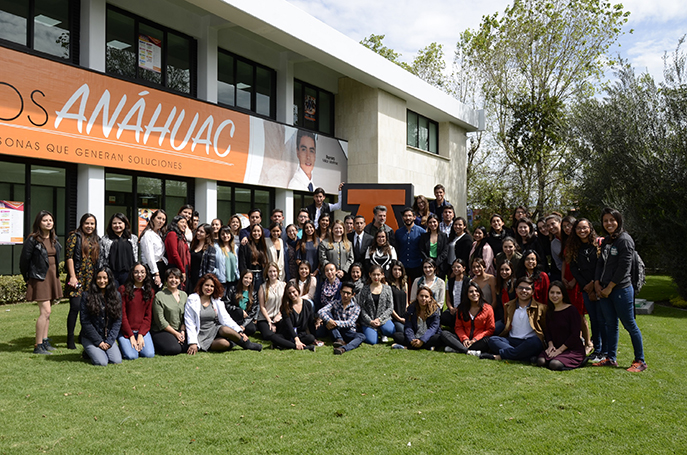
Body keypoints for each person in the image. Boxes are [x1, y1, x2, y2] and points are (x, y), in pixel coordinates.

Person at [594, 207, 647, 372]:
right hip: (603, 290)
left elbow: (624, 267)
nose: (609, 223)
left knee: (629, 324)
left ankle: (640, 361)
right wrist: (597, 283)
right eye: (605, 220)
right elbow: (600, 263)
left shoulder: (625, 240)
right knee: (611, 324)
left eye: (612, 220)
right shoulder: (607, 241)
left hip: (620, 289)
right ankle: (611, 358)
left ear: (618, 221)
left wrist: (610, 287)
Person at [185, 273, 262, 354]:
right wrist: (192, 342)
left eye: (212, 286)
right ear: (201, 286)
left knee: (225, 329)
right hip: (200, 333)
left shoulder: (216, 301)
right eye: (206, 285)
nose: (209, 288)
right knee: (224, 344)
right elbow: (189, 322)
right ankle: (233, 342)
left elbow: (226, 319)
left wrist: (239, 332)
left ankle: (247, 344)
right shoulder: (192, 300)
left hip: (214, 330)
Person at [20, 210, 63, 354]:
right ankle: (38, 345)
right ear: (39, 222)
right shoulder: (32, 240)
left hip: (52, 277)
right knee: (45, 311)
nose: (48, 222)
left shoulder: (54, 239)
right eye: (45, 220)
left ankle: (44, 341)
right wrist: (29, 279)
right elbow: (24, 262)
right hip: (39, 278)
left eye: (50, 220)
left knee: (48, 313)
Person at [567, 218, 607, 362]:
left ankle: (606, 350)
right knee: (594, 319)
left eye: (584, 227)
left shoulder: (599, 244)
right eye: (578, 228)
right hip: (586, 289)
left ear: (590, 228)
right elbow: (574, 269)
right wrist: (587, 286)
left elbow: (602, 266)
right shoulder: (574, 248)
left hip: (600, 287)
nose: (582, 231)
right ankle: (597, 349)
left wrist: (593, 283)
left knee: (604, 319)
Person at [484, 276, 547, 362]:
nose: (523, 291)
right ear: (516, 290)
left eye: (527, 289)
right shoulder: (508, 306)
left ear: (532, 292)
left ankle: (501, 356)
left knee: (536, 342)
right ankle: (525, 357)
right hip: (512, 340)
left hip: (529, 341)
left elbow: (544, 328)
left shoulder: (541, 308)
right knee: (492, 340)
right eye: (521, 288)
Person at [64, 213, 99, 350]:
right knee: (75, 307)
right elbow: (69, 257)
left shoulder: (96, 239)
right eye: (87, 223)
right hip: (77, 276)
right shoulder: (75, 237)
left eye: (92, 224)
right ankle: (70, 338)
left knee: (88, 308)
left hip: (91, 278)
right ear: (81, 224)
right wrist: (72, 276)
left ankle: (83, 334)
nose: (89, 226)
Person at [536, 281, 586, 370]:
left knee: (554, 364)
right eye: (552, 292)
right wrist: (550, 346)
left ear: (563, 295)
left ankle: (579, 361)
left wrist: (560, 351)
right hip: (555, 347)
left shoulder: (571, 310)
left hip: (572, 349)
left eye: (558, 293)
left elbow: (575, 335)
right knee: (540, 361)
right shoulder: (549, 311)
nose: (554, 296)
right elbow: (547, 331)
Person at [80, 267, 122, 365]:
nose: (102, 281)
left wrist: (110, 341)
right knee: (102, 362)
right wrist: (99, 342)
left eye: (105, 278)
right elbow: (85, 322)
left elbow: (117, 321)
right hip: (90, 337)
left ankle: (98, 351)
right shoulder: (87, 296)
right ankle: (89, 350)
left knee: (116, 360)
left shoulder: (116, 296)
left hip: (107, 338)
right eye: (99, 278)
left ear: (109, 279)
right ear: (95, 279)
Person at [441, 281, 495, 355]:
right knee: (444, 333)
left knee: (489, 340)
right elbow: (458, 327)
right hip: (463, 339)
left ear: (480, 293)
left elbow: (490, 329)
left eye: (476, 291)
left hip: (479, 340)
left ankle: (458, 348)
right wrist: (465, 339)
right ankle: (467, 351)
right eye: (471, 292)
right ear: (467, 294)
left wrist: (475, 339)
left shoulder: (488, 308)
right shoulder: (462, 308)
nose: (474, 294)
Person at [117, 263, 155, 360]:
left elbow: (148, 316)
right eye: (136, 272)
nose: (139, 275)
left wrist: (141, 334)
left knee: (149, 354)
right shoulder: (123, 290)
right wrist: (131, 336)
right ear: (132, 274)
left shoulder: (149, 292)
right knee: (132, 356)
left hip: (142, 331)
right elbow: (122, 315)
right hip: (126, 331)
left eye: (142, 272)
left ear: (146, 274)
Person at [319, 282, 365, 355]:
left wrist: (335, 323)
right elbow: (321, 311)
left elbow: (350, 323)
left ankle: (343, 348)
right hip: (336, 331)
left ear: (353, 295)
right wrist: (329, 320)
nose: (345, 295)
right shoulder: (335, 303)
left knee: (361, 336)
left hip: (348, 332)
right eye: (343, 292)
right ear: (340, 292)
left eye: (348, 293)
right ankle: (340, 340)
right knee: (327, 314)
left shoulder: (356, 308)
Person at [391, 285, 442, 350]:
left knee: (439, 337)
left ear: (430, 298)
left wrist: (422, 340)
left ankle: (406, 347)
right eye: (421, 296)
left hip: (429, 336)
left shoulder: (435, 310)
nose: (423, 298)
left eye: (426, 297)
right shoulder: (411, 308)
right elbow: (408, 326)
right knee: (397, 336)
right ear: (417, 296)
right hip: (415, 335)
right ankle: (427, 347)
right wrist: (411, 339)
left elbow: (433, 328)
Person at [151, 267, 188, 356]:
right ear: (166, 279)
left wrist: (182, 331)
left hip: (180, 329)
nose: (173, 280)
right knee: (174, 349)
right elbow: (160, 321)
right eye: (171, 277)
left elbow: (186, 315)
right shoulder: (159, 296)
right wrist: (176, 334)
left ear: (180, 280)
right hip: (163, 330)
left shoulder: (184, 295)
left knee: (189, 346)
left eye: (176, 278)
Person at [271, 282, 317, 351]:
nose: (292, 295)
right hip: (287, 333)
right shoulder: (285, 306)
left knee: (311, 338)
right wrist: (296, 340)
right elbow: (288, 325)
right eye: (289, 293)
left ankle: (283, 345)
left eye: (293, 292)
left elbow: (310, 323)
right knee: (273, 337)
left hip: (300, 334)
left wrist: (315, 339)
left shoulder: (307, 304)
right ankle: (303, 347)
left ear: (298, 291)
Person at [358, 264, 395, 344]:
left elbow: (390, 307)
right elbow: (362, 308)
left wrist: (380, 319)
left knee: (390, 331)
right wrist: (370, 321)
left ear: (382, 275)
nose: (376, 277)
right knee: (372, 341)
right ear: (370, 275)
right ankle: (373, 332)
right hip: (369, 321)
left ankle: (382, 332)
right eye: (374, 274)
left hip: (383, 319)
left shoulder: (387, 289)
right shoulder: (364, 289)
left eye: (378, 274)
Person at [100, 213, 138, 287]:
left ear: (125, 224)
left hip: (128, 274)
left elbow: (135, 256)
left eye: (120, 223)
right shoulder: (105, 239)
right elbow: (102, 258)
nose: (117, 225)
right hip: (111, 274)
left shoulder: (133, 238)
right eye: (114, 223)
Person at [395, 207, 426, 286]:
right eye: (405, 216)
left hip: (417, 265)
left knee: (416, 288)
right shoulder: (398, 232)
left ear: (414, 217)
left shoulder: (421, 232)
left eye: (410, 216)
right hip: (403, 266)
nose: (407, 218)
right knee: (402, 287)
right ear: (403, 218)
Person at [256, 262, 286, 342]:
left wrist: (279, 314)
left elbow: (285, 303)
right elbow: (262, 306)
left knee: (286, 330)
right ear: (267, 273)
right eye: (270, 271)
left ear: (278, 272)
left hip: (278, 317)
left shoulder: (283, 285)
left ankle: (277, 338)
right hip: (265, 318)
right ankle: (277, 338)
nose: (272, 273)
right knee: (267, 335)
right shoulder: (262, 287)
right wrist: (270, 321)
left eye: (274, 271)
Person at [224, 270, 259, 337]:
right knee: (239, 313)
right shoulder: (233, 289)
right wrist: (239, 310)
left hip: (245, 319)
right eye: (246, 277)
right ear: (242, 278)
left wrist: (243, 325)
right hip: (234, 316)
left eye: (250, 278)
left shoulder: (253, 293)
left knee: (252, 329)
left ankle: (238, 330)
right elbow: (227, 304)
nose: (247, 280)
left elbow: (252, 312)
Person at [139, 209, 167, 290]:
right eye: (159, 218)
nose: (161, 221)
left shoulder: (160, 233)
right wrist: (156, 273)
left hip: (160, 265)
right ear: (153, 218)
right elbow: (150, 256)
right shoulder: (148, 234)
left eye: (163, 219)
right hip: (152, 268)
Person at [441, 259, 470, 329]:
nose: (455, 269)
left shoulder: (468, 281)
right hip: (453, 308)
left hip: (465, 308)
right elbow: (447, 299)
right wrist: (451, 308)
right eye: (454, 267)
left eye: (458, 267)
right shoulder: (450, 282)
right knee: (444, 317)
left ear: (464, 268)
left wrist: (459, 309)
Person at [188, 223, 216, 293]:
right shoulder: (193, 245)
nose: (198, 233)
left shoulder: (210, 249)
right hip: (190, 277)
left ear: (207, 235)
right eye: (198, 231)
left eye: (201, 232)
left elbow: (210, 268)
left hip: (201, 278)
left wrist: (205, 281)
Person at [239, 223, 269, 289]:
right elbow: (242, 262)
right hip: (249, 276)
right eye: (254, 231)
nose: (256, 233)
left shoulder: (263, 245)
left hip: (261, 276)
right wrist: (245, 276)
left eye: (258, 231)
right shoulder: (245, 244)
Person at [164, 215, 191, 289]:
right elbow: (174, 254)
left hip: (182, 267)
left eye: (186, 223)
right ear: (175, 223)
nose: (184, 225)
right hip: (175, 267)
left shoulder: (181, 236)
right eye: (182, 222)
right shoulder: (172, 234)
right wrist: (182, 271)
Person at [419, 213, 449, 278]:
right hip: (427, 266)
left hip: (440, 266)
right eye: (430, 222)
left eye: (434, 222)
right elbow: (421, 250)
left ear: (438, 222)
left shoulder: (443, 236)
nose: (432, 224)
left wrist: (435, 264)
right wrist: (429, 263)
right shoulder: (424, 236)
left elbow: (445, 251)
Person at [214, 226, 239, 295]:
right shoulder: (216, 247)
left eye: (227, 233)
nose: (225, 236)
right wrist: (216, 272)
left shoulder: (235, 248)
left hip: (234, 280)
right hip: (221, 280)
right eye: (222, 234)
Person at [494, 260, 515, 334]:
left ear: (511, 271)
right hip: (503, 317)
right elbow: (499, 305)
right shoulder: (499, 285)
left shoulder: (515, 284)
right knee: (495, 329)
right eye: (501, 270)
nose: (504, 272)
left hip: (515, 316)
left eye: (507, 269)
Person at [388, 260, 409, 333]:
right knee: (403, 331)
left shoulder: (405, 284)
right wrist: (400, 319)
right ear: (391, 270)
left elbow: (407, 303)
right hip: (394, 317)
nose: (397, 272)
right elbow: (389, 307)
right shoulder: (388, 285)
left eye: (399, 269)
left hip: (404, 316)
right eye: (395, 269)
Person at [546, 214, 563, 281]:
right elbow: (558, 263)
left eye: (553, 224)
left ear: (560, 223)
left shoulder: (571, 238)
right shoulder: (553, 244)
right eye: (548, 226)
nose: (551, 227)